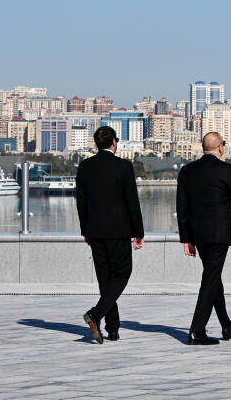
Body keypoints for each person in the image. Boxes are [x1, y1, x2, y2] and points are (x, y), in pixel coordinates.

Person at [177, 131, 231, 345]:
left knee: (213, 277)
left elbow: (181, 207)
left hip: (198, 235)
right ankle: (197, 330)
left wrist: (187, 238)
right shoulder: (228, 171)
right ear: (220, 147)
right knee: (210, 278)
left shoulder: (187, 171)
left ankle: (225, 324)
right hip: (219, 234)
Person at [75, 126, 144, 344]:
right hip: (118, 231)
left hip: (95, 230)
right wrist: (138, 232)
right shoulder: (123, 166)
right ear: (114, 142)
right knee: (122, 274)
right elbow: (132, 201)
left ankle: (112, 329)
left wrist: (85, 229)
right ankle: (96, 314)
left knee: (106, 279)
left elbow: (81, 202)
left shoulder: (85, 166)